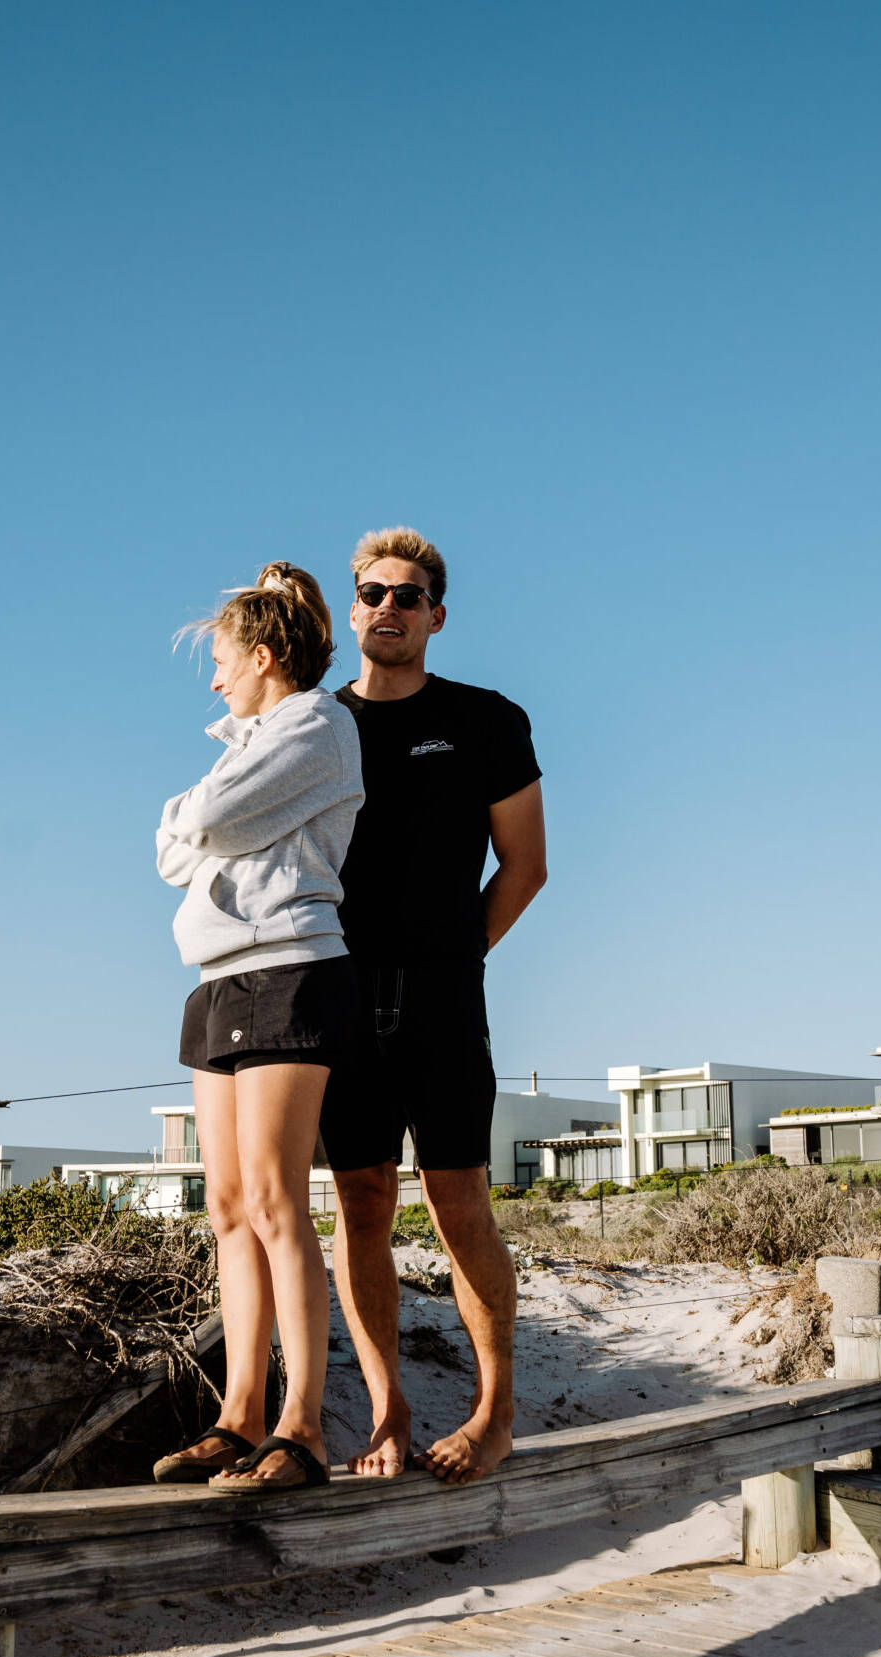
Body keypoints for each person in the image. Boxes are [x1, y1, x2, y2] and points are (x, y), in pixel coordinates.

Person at [319, 526, 547, 1485]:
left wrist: (455, 960)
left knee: (458, 1205)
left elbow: (525, 867)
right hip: (335, 998)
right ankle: (387, 1408)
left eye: (407, 596)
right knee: (360, 1204)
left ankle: (493, 1411)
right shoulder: (314, 725)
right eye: (371, 593)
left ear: (435, 615)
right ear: (353, 608)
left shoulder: (488, 719)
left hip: (445, 1002)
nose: (387, 608)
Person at [152, 563, 363, 1493]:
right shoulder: (242, 742)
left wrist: (200, 819)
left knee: (280, 1202)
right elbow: (171, 848)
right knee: (227, 1208)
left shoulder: (317, 724)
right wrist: (199, 820)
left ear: (267, 657)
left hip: (288, 966)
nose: (213, 680)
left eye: (224, 660)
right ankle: (239, 1417)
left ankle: (303, 1427)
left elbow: (208, 818)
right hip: (216, 978)